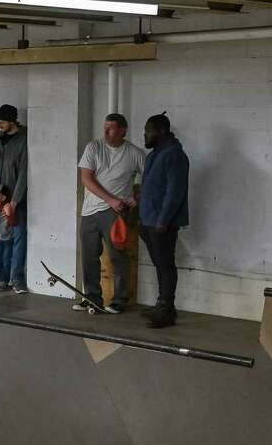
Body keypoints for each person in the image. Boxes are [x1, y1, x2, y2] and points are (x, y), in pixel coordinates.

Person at [77, 113, 145, 314]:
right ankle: (92, 298)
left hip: (115, 214)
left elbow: (152, 178)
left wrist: (137, 197)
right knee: (89, 256)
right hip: (90, 211)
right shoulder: (94, 148)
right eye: (105, 127)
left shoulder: (134, 153)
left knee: (118, 256)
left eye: (112, 128)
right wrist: (111, 199)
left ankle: (120, 299)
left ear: (123, 130)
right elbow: (86, 179)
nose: (106, 132)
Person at [140, 112, 190, 329]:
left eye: (148, 131)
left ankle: (166, 309)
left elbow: (174, 191)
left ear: (161, 131)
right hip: (149, 221)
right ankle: (164, 305)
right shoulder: (153, 156)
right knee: (159, 264)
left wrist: (163, 219)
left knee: (166, 264)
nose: (144, 135)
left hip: (162, 223)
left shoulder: (174, 155)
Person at [0, 104, 29, 293]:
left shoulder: (24, 138)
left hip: (13, 195)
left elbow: (24, 173)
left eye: (2, 122)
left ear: (12, 121)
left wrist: (14, 202)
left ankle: (15, 278)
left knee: (17, 237)